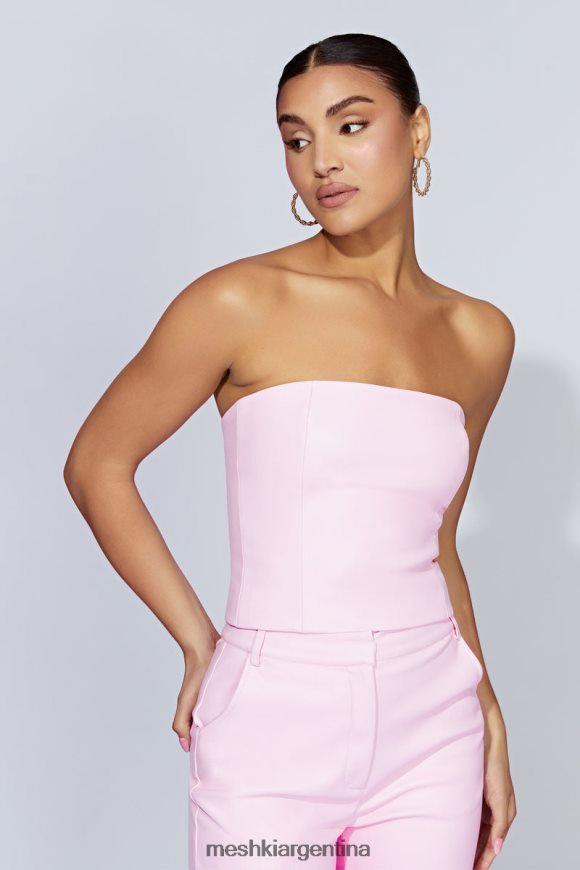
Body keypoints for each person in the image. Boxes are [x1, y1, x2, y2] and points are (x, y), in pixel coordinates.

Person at [64, 32, 517, 870]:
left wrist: (487, 713)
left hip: (434, 724)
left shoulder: (480, 336)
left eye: (351, 125)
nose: (321, 162)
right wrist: (200, 643)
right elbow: (97, 465)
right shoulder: (239, 302)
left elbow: (440, 544)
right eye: (296, 138)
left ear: (418, 130)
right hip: (273, 719)